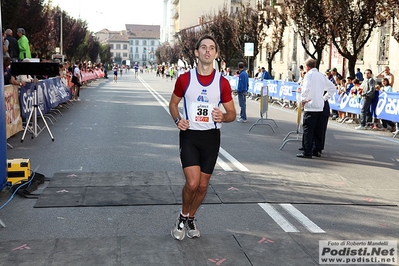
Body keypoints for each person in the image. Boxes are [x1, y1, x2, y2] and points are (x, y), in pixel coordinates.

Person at [168, 35, 236, 240]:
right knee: (192, 183)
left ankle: (191, 217)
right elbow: (173, 104)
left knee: (203, 186)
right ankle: (182, 216)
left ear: (215, 54)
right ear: (196, 52)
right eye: (203, 47)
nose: (207, 51)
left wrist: (223, 116)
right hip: (189, 136)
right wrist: (178, 119)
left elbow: (232, 113)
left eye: (212, 48)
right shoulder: (185, 79)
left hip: (211, 138)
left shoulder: (222, 83)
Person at [297, 58, 335, 159]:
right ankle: (316, 149)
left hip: (311, 106)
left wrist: (302, 100)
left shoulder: (309, 75)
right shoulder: (321, 75)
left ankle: (307, 151)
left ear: (307, 66)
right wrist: (324, 98)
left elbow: (306, 88)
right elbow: (332, 88)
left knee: (308, 129)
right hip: (319, 106)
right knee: (318, 130)